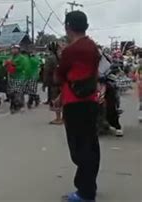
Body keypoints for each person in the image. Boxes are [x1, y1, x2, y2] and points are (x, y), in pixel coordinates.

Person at [56, 11, 100, 202]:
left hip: (75, 104)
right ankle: (89, 187)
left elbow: (60, 74)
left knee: (79, 149)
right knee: (90, 146)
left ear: (67, 26)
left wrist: (61, 54)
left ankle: (85, 192)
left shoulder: (71, 50)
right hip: (89, 100)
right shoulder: (92, 46)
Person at [44, 43, 63, 125]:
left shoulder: (50, 58)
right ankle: (63, 118)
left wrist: (45, 83)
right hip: (64, 81)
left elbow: (46, 71)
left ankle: (58, 118)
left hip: (54, 82)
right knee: (63, 99)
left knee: (55, 99)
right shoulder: (64, 57)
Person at [5, 45, 27, 113]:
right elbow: (6, 65)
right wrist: (7, 65)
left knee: (17, 92)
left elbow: (22, 67)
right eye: (13, 49)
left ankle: (18, 105)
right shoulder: (10, 57)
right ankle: (14, 104)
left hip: (19, 77)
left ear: (18, 50)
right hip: (11, 77)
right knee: (11, 92)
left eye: (15, 49)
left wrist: (14, 66)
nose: (14, 50)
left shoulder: (22, 58)